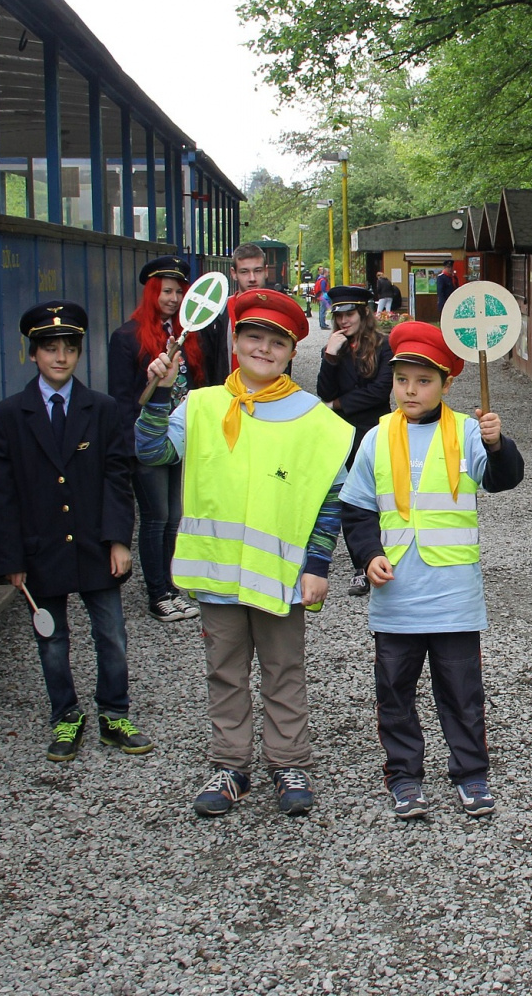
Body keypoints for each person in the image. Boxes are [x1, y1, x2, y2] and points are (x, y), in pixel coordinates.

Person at [135, 288, 354, 818]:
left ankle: (288, 762)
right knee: (225, 671)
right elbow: (151, 451)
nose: (263, 349)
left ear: (291, 352)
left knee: (284, 671)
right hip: (217, 572)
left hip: (281, 576)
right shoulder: (202, 404)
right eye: (253, 337)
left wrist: (318, 565)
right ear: (235, 341)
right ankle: (230, 765)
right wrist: (158, 395)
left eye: (277, 342)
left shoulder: (314, 419)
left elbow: (331, 498)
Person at [338, 321, 525, 819]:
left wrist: (498, 444)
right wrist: (367, 555)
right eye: (402, 380)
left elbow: (505, 480)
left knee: (462, 693)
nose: (410, 390)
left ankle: (471, 774)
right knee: (394, 693)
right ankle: (404, 777)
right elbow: (355, 507)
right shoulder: (377, 437)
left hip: (454, 597)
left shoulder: (467, 431)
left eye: (423, 381)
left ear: (446, 383)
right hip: (396, 597)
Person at [0, 301, 152, 762]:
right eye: (49, 348)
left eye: (69, 348)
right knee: (52, 640)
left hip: (94, 542)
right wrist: (12, 559)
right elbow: (2, 494)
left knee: (112, 635)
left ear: (80, 353)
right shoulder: (9, 415)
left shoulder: (101, 409)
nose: (60, 357)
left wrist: (118, 540)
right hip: (41, 547)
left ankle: (114, 713)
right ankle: (65, 715)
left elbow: (117, 477)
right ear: (32, 354)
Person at [108, 256, 201, 623]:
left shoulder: (186, 336)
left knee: (175, 515)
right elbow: (120, 399)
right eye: (166, 291)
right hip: (145, 441)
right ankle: (157, 593)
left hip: (180, 437)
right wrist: (131, 447)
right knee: (155, 516)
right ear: (151, 293)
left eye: (178, 292)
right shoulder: (126, 338)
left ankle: (172, 587)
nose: (173, 299)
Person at [316, 284, 393, 597]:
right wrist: (330, 356)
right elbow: (323, 391)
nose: (343, 320)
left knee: (381, 495)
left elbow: (380, 391)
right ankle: (360, 566)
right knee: (352, 497)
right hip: (344, 434)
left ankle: (384, 556)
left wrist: (337, 404)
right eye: (338, 315)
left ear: (363, 313)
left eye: (349, 314)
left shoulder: (384, 346)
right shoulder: (336, 346)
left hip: (375, 429)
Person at [197, 243, 271, 384]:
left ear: (266, 271)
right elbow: (207, 364)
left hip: (267, 393)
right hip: (226, 392)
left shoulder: (277, 311)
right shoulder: (218, 313)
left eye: (257, 271)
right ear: (233, 273)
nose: (252, 278)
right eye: (244, 272)